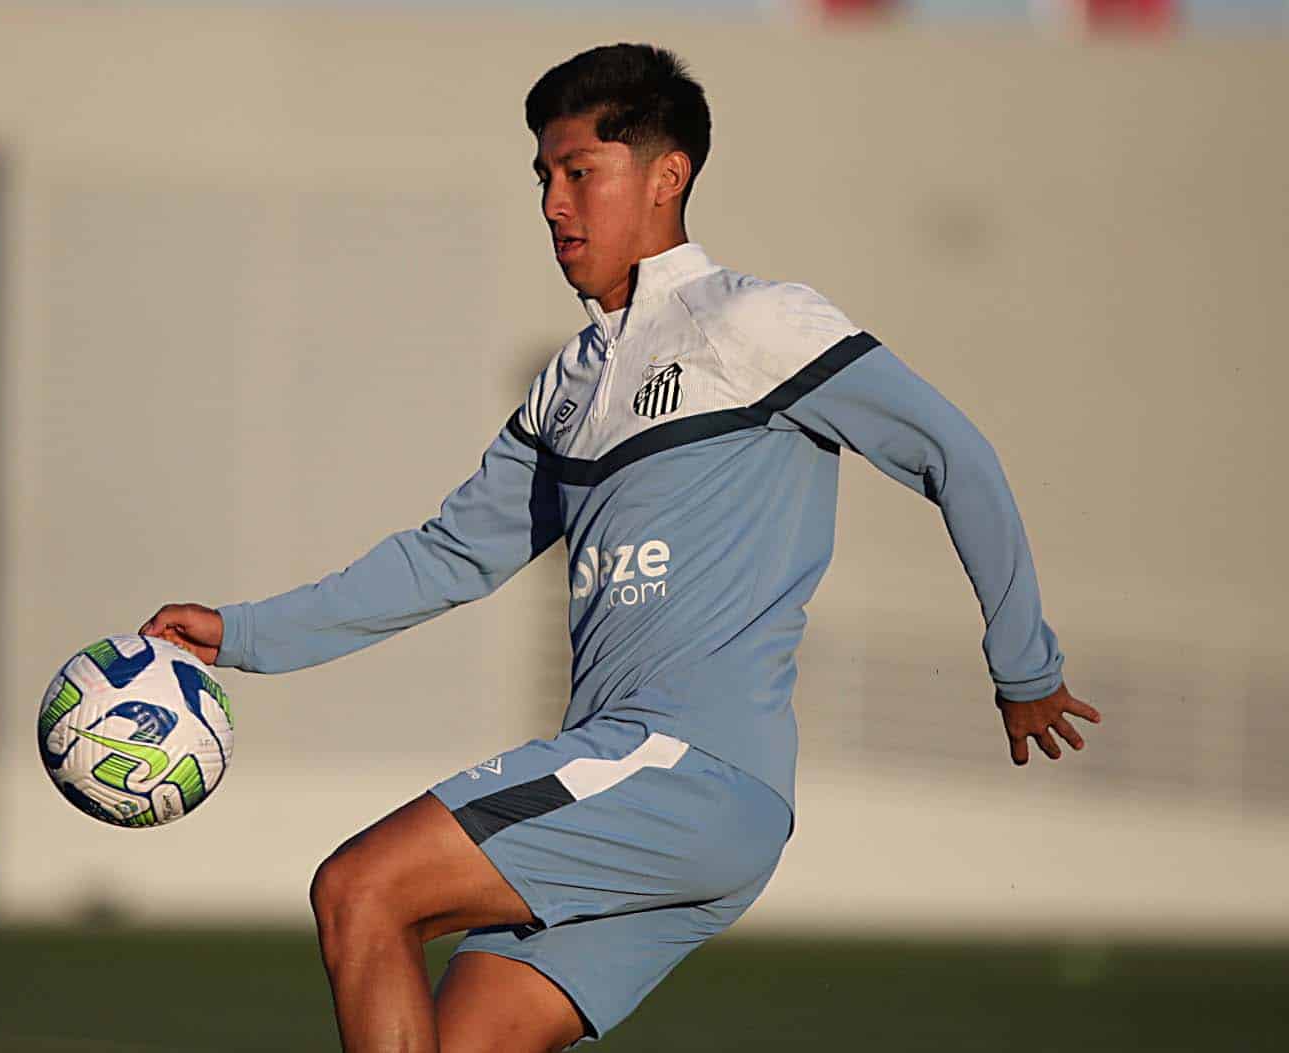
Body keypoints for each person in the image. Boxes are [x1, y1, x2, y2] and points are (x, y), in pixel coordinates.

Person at [140, 43, 1102, 1053]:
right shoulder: (569, 382)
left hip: (684, 768)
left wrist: (1024, 662)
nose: (554, 205)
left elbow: (956, 453)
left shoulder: (754, 321)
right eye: (544, 179)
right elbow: (449, 556)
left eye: (578, 174)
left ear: (666, 176)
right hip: (651, 794)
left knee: (360, 888)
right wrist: (243, 633)